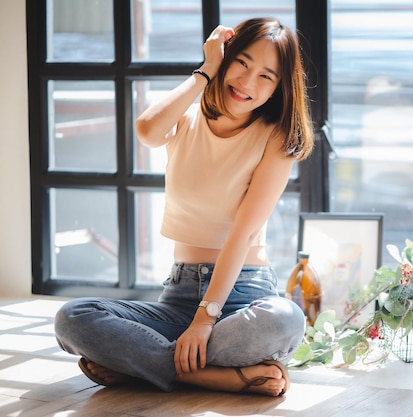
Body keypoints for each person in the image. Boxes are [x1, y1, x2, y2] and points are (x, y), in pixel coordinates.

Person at [54, 17, 314, 397]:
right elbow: (146, 130)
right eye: (241, 62)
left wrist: (206, 319)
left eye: (266, 76)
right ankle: (206, 375)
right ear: (225, 58)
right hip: (178, 297)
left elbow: (241, 234)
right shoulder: (186, 120)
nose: (246, 82)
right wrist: (205, 70)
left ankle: (145, 367)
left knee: (285, 319)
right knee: (73, 318)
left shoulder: (275, 138)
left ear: (278, 88)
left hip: (242, 297)